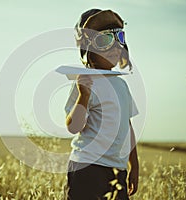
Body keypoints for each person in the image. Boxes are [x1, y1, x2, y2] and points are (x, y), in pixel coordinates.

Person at [64, 9, 139, 200]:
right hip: (87, 168)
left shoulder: (121, 84)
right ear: (88, 50)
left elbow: (127, 126)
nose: (115, 46)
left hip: (117, 169)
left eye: (119, 38)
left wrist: (134, 165)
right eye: (105, 40)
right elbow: (74, 127)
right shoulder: (85, 83)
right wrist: (84, 95)